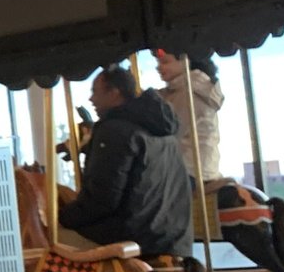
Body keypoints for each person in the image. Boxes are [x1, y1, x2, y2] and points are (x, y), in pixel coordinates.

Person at [58, 65, 193, 259]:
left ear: (114, 93)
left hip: (134, 236)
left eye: (95, 92)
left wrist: (63, 217)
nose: (91, 99)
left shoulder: (114, 131)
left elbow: (102, 199)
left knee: (51, 240)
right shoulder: (164, 131)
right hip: (174, 238)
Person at [153, 49, 222, 184]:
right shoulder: (183, 89)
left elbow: (172, 130)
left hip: (190, 169)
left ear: (186, 61)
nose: (159, 67)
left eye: (165, 62)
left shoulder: (191, 91)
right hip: (199, 166)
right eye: (158, 62)